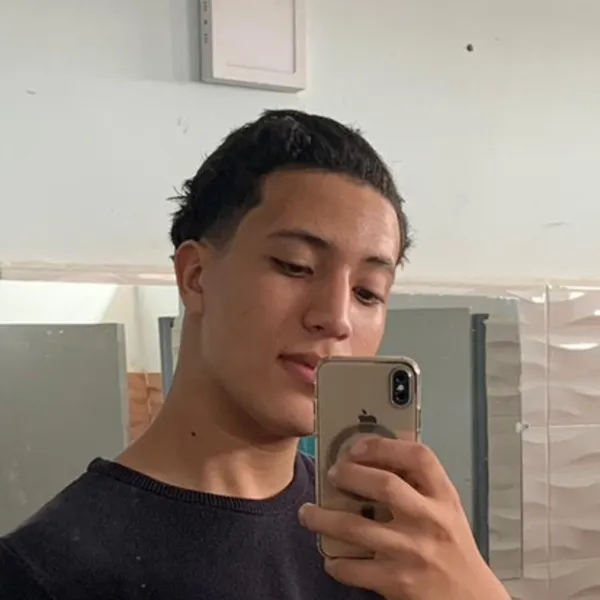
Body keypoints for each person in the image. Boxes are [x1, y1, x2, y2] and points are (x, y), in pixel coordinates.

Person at [0, 110, 509, 600]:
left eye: (368, 292)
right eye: (295, 265)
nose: (336, 317)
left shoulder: (392, 535)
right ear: (196, 277)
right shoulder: (48, 572)